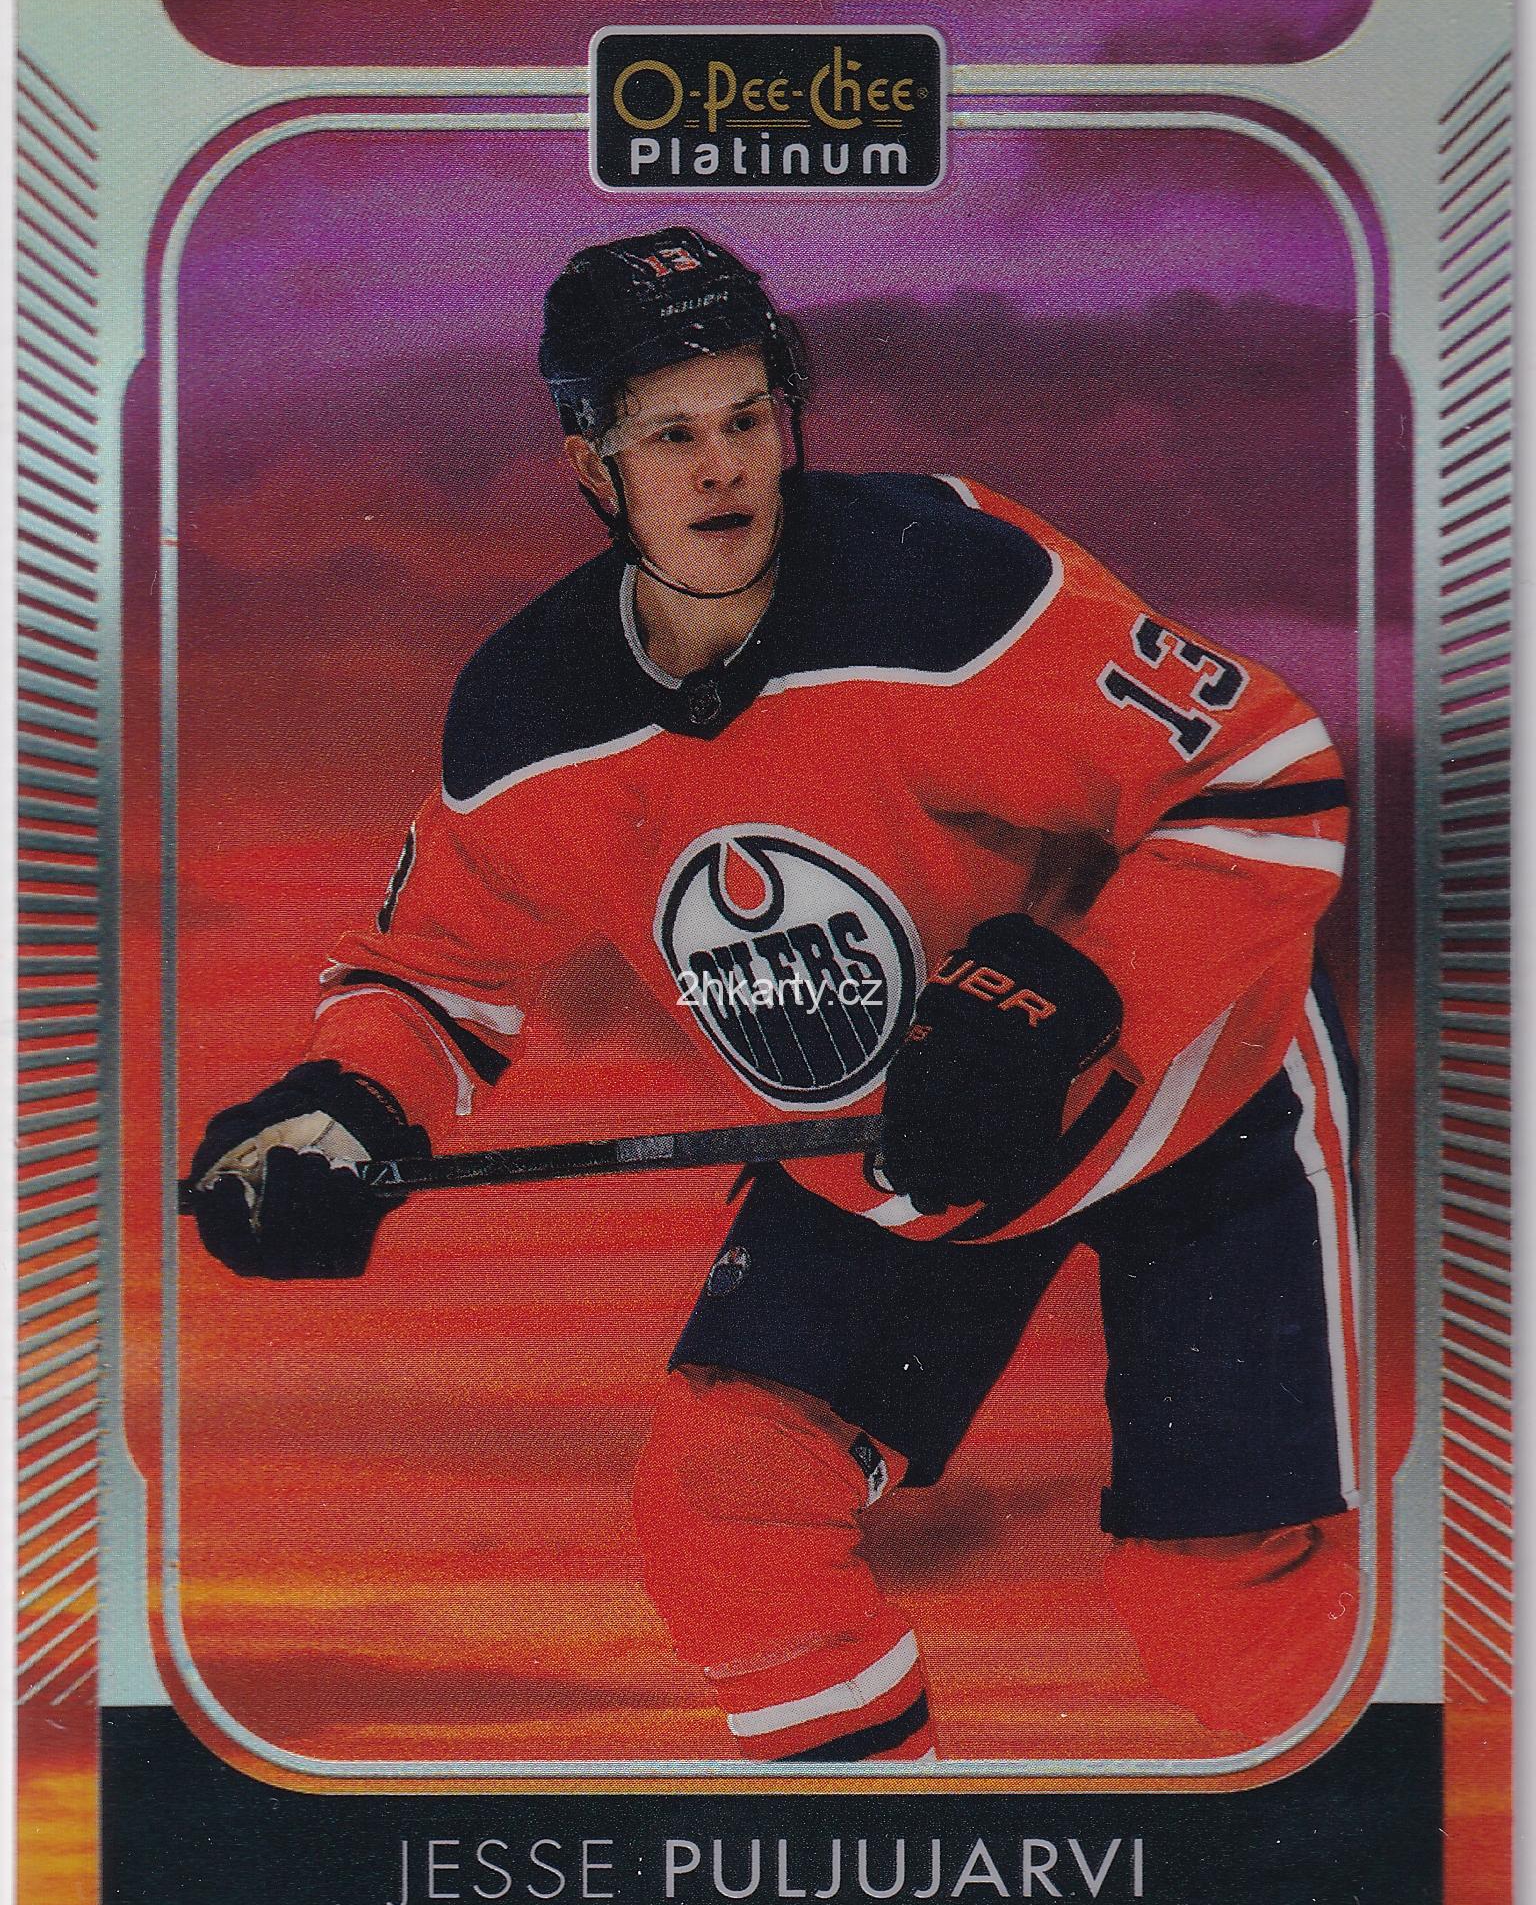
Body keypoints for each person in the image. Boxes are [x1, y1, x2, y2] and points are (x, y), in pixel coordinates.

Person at [188, 226, 1362, 1765]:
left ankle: (1308, 1884)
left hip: (1199, 1105)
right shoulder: (531, 717)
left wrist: (1069, 998)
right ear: (592, 468)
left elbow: (1269, 780)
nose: (723, 465)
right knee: (723, 1521)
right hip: (888, 1149)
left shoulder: (948, 585)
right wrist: (342, 1114)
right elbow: (433, 973)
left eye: (747, 417)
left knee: (1223, 1606)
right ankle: (878, 1878)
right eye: (671, 434)